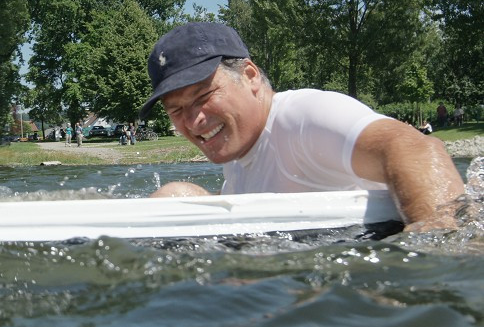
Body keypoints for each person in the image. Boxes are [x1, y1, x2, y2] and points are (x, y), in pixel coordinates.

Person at [141, 22, 464, 229]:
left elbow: (416, 149)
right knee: (174, 195)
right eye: (177, 109)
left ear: (250, 77)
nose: (193, 120)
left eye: (203, 96)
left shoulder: (303, 117)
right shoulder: (240, 155)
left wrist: (438, 261)